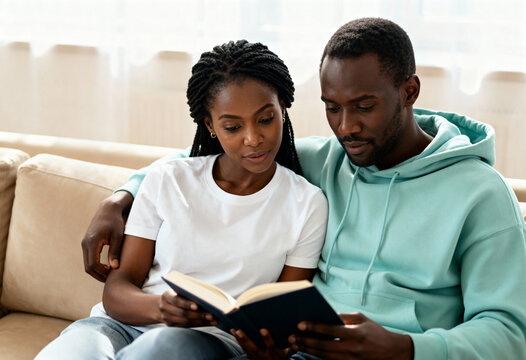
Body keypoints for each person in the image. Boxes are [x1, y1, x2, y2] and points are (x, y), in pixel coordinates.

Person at [82, 18, 526, 360]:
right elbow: (209, 157)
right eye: (332, 108)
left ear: (409, 91)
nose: (346, 127)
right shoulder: (325, 159)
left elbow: (510, 331)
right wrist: (120, 197)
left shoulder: (481, 194)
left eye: (364, 106)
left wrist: (406, 349)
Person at [36, 40, 329, 360]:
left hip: (209, 343)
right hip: (119, 327)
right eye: (233, 126)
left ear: (283, 108)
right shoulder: (168, 179)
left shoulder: (307, 204)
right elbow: (117, 291)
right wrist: (161, 308)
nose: (253, 138)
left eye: (265, 119)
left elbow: (279, 316)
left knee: (162, 348)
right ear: (210, 126)